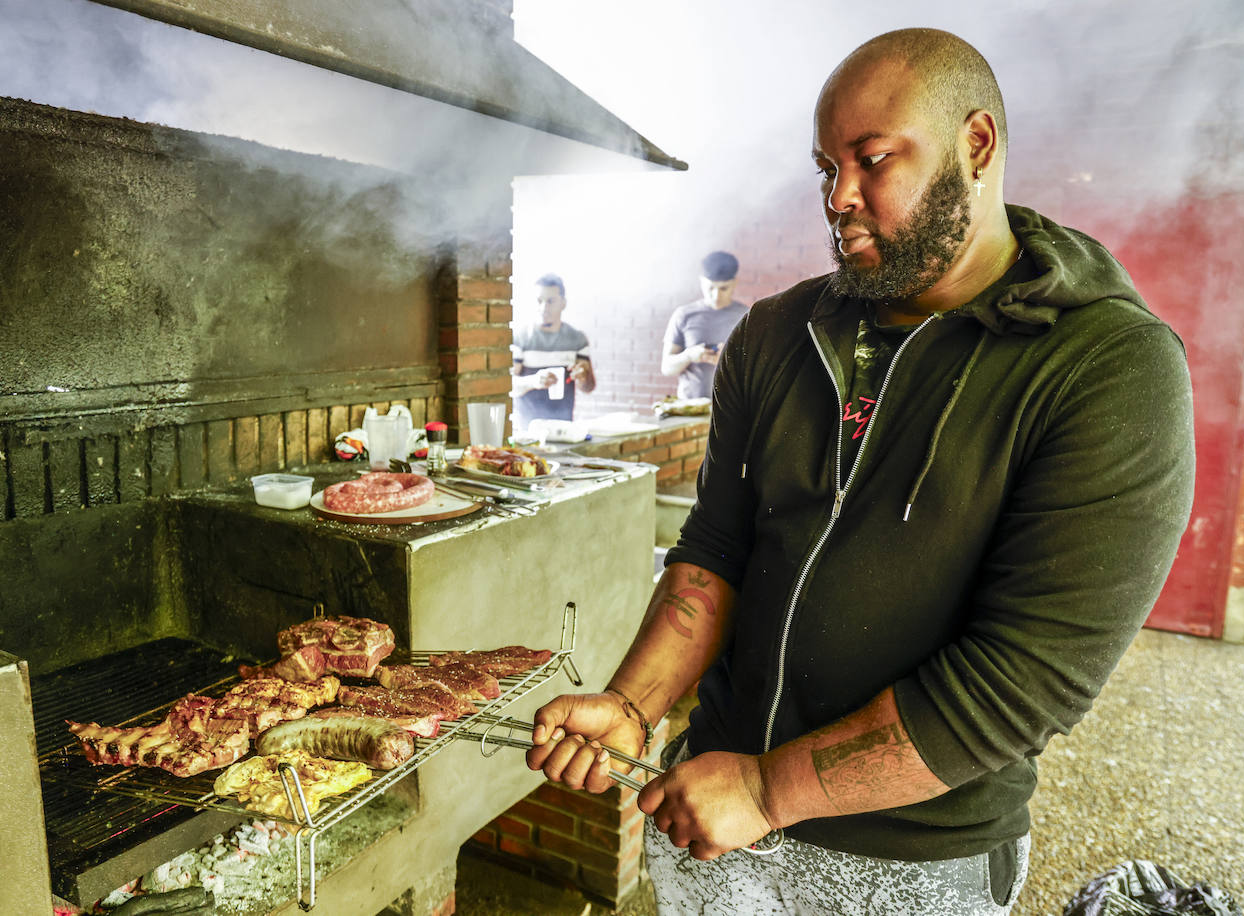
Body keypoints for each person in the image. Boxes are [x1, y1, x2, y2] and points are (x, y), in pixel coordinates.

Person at [524, 27, 1195, 916]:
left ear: (977, 145)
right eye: (823, 168)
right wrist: (634, 705)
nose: (839, 196)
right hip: (711, 823)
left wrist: (769, 792)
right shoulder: (774, 334)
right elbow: (715, 550)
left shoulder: (1108, 367)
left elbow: (1022, 682)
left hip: (914, 865)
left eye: (872, 160)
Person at [660, 251, 749, 398]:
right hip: (689, 408)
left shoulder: (746, 317)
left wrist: (728, 362)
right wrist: (688, 356)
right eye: (711, 288)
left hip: (732, 407)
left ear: (734, 283)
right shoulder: (684, 315)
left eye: (723, 288)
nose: (716, 295)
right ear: (701, 281)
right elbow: (667, 368)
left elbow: (756, 372)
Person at [511, 273, 596, 424]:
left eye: (551, 301)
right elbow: (508, 386)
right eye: (539, 301)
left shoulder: (577, 339)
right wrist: (534, 381)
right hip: (527, 430)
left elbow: (589, 387)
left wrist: (584, 376)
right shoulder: (520, 338)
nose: (544, 308)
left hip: (564, 427)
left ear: (563, 303)